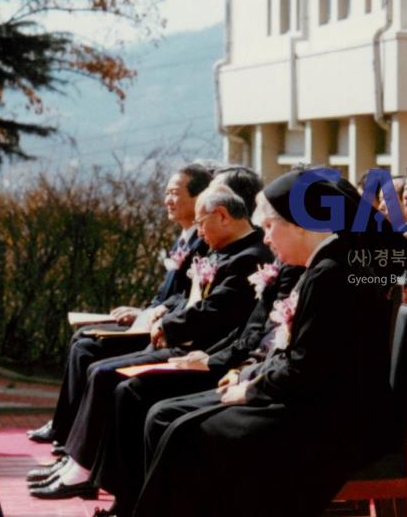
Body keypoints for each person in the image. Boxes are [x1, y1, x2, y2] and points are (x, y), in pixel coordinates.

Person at [122, 170, 395, 517]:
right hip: (322, 403)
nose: (265, 238)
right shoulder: (330, 263)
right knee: (186, 422)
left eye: (271, 227)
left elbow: (311, 368)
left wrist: (251, 391)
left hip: (337, 420)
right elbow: (304, 358)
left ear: (302, 225)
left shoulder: (333, 272)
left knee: (199, 435)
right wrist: (253, 380)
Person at [30, 182, 272, 500]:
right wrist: (163, 318)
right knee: (97, 367)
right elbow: (189, 299)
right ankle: (77, 463)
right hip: (187, 345)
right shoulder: (227, 250)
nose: (199, 233)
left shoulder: (250, 256)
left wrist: (172, 328)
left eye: (202, 223)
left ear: (222, 215)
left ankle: (88, 474)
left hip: (202, 352)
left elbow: (217, 311)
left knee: (107, 376)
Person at [32, 162, 212, 446]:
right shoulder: (183, 238)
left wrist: (152, 316)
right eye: (166, 193)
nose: (168, 200)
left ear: (200, 196)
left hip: (165, 332)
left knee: (87, 350)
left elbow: (185, 299)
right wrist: (143, 311)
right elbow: (167, 295)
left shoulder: (204, 243)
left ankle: (69, 434)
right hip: (154, 320)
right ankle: (64, 425)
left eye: (175, 193)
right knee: (82, 337)